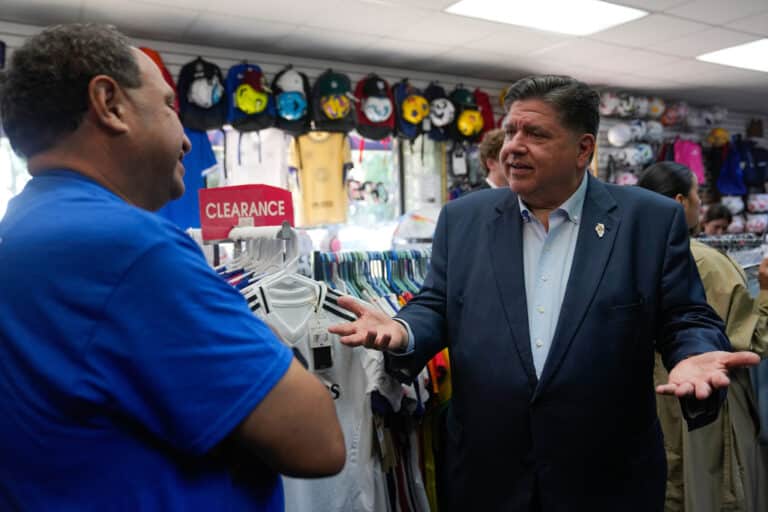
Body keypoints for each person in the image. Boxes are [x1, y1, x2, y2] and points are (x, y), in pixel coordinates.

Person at [329, 75, 761, 512]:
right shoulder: (463, 219)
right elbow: (438, 303)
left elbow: (685, 316)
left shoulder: (648, 220)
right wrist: (403, 330)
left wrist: (694, 353)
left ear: (583, 149)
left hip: (607, 477)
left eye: (535, 134)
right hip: (488, 475)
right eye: (511, 131)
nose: (513, 147)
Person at [0, 24, 345, 511]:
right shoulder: (129, 248)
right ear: (110, 104)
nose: (185, 140)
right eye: (169, 106)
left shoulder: (21, 228)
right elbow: (318, 442)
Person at [638, 162, 768, 512]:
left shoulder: (628, 255)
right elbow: (755, 340)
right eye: (698, 196)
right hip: (703, 406)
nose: (702, 205)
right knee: (707, 489)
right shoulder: (707, 263)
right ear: (680, 203)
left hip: (649, 404)